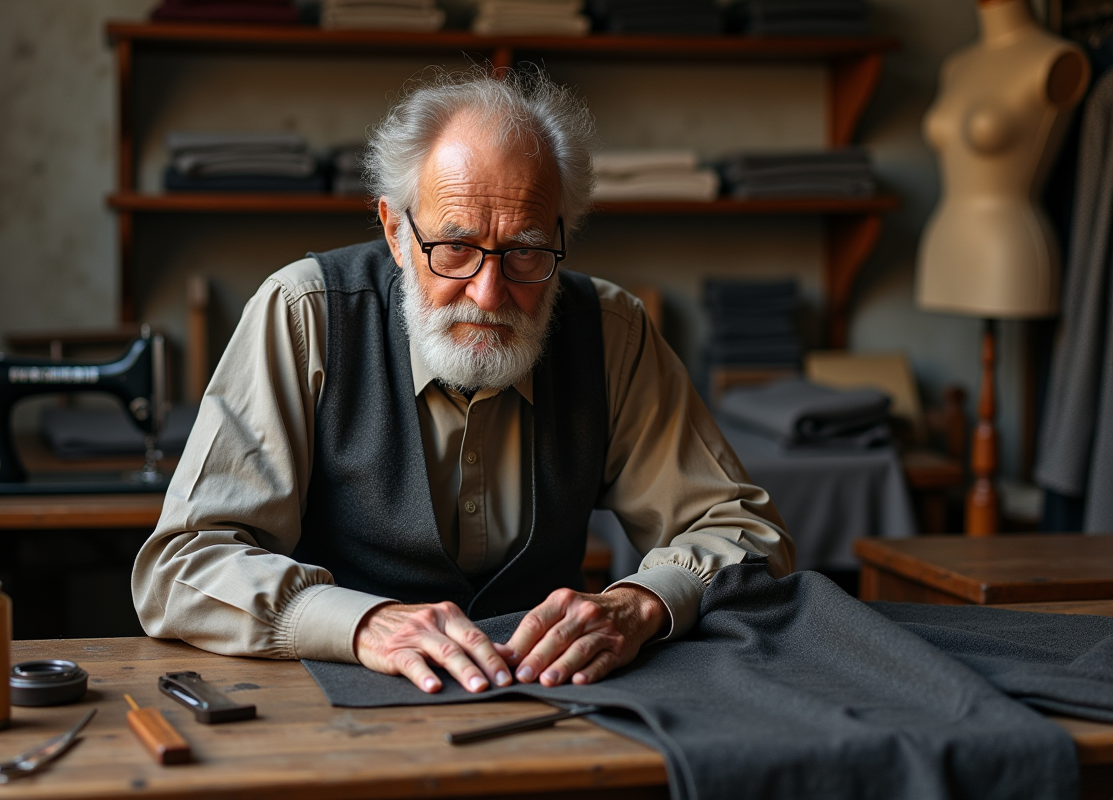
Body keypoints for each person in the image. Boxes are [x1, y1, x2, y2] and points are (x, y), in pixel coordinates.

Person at [132, 68, 793, 695]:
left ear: (563, 237)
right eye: (454, 247)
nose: (488, 291)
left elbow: (743, 529)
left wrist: (642, 602)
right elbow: (181, 568)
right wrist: (361, 624)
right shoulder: (305, 316)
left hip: (559, 707)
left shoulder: (611, 330)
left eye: (526, 251)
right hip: (332, 705)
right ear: (395, 232)